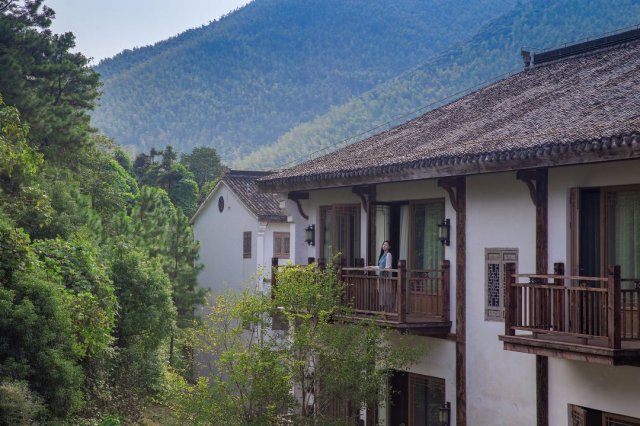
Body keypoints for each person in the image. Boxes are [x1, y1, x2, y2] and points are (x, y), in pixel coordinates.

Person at [377, 241, 394, 312]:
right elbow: (380, 266)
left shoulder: (388, 254)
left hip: (385, 276)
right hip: (381, 276)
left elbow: (388, 267)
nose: (384, 246)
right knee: (381, 293)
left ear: (389, 247)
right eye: (383, 244)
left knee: (386, 293)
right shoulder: (382, 255)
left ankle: (387, 311)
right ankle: (383, 311)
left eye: (386, 245)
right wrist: (371, 267)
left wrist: (382, 270)